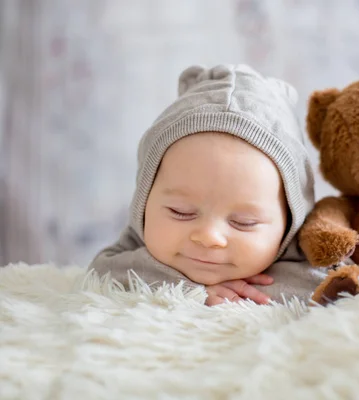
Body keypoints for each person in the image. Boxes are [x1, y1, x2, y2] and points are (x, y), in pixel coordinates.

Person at [88, 64, 323, 305]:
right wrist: (190, 290)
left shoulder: (311, 252)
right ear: (145, 200)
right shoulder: (133, 247)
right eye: (181, 212)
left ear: (290, 220)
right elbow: (101, 272)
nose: (209, 237)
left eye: (244, 223)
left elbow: (333, 286)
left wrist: (249, 292)